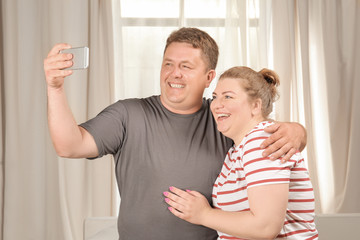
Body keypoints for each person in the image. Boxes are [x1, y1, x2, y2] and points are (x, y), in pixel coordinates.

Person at [44, 28, 307, 240]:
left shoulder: (223, 119)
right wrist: (55, 88)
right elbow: (69, 145)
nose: (174, 73)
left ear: (209, 77)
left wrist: (298, 131)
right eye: (168, 64)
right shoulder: (128, 113)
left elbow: (260, 134)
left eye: (186, 66)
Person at [164, 66, 318, 239]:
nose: (216, 105)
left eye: (228, 96)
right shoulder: (238, 150)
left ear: (255, 106)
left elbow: (265, 226)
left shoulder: (261, 141)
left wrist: (203, 214)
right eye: (215, 97)